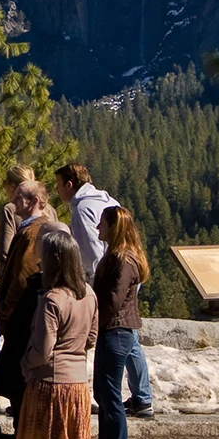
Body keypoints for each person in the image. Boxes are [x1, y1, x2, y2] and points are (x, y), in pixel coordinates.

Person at [7, 227, 98, 439]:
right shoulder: (89, 295)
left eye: (44, 256)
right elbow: (92, 337)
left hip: (51, 385)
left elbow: (43, 349)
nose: (39, 261)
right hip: (78, 384)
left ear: (55, 260)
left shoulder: (51, 300)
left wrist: (24, 363)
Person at [54, 164, 154, 418]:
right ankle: (142, 396)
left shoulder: (83, 209)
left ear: (69, 184)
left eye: (58, 184)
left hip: (109, 278)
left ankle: (139, 399)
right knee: (129, 336)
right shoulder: (105, 199)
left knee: (121, 335)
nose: (57, 190)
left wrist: (89, 283)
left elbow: (90, 251)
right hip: (125, 274)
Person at [0, 181, 65, 415]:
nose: (13, 201)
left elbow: (22, 278)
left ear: (33, 202)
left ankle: (22, 437)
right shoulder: (29, 229)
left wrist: (5, 314)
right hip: (23, 316)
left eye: (19, 197)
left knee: (19, 381)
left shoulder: (34, 233)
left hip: (22, 317)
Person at [90, 206, 151, 439]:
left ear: (114, 227)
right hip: (114, 330)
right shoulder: (117, 256)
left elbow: (114, 300)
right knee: (104, 393)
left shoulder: (122, 260)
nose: (97, 228)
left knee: (109, 395)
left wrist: (93, 319)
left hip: (115, 330)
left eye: (101, 223)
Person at [0, 164, 36, 275]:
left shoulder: (10, 210)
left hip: (18, 277)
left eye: (5, 184)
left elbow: (5, 252)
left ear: (12, 186)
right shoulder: (48, 208)